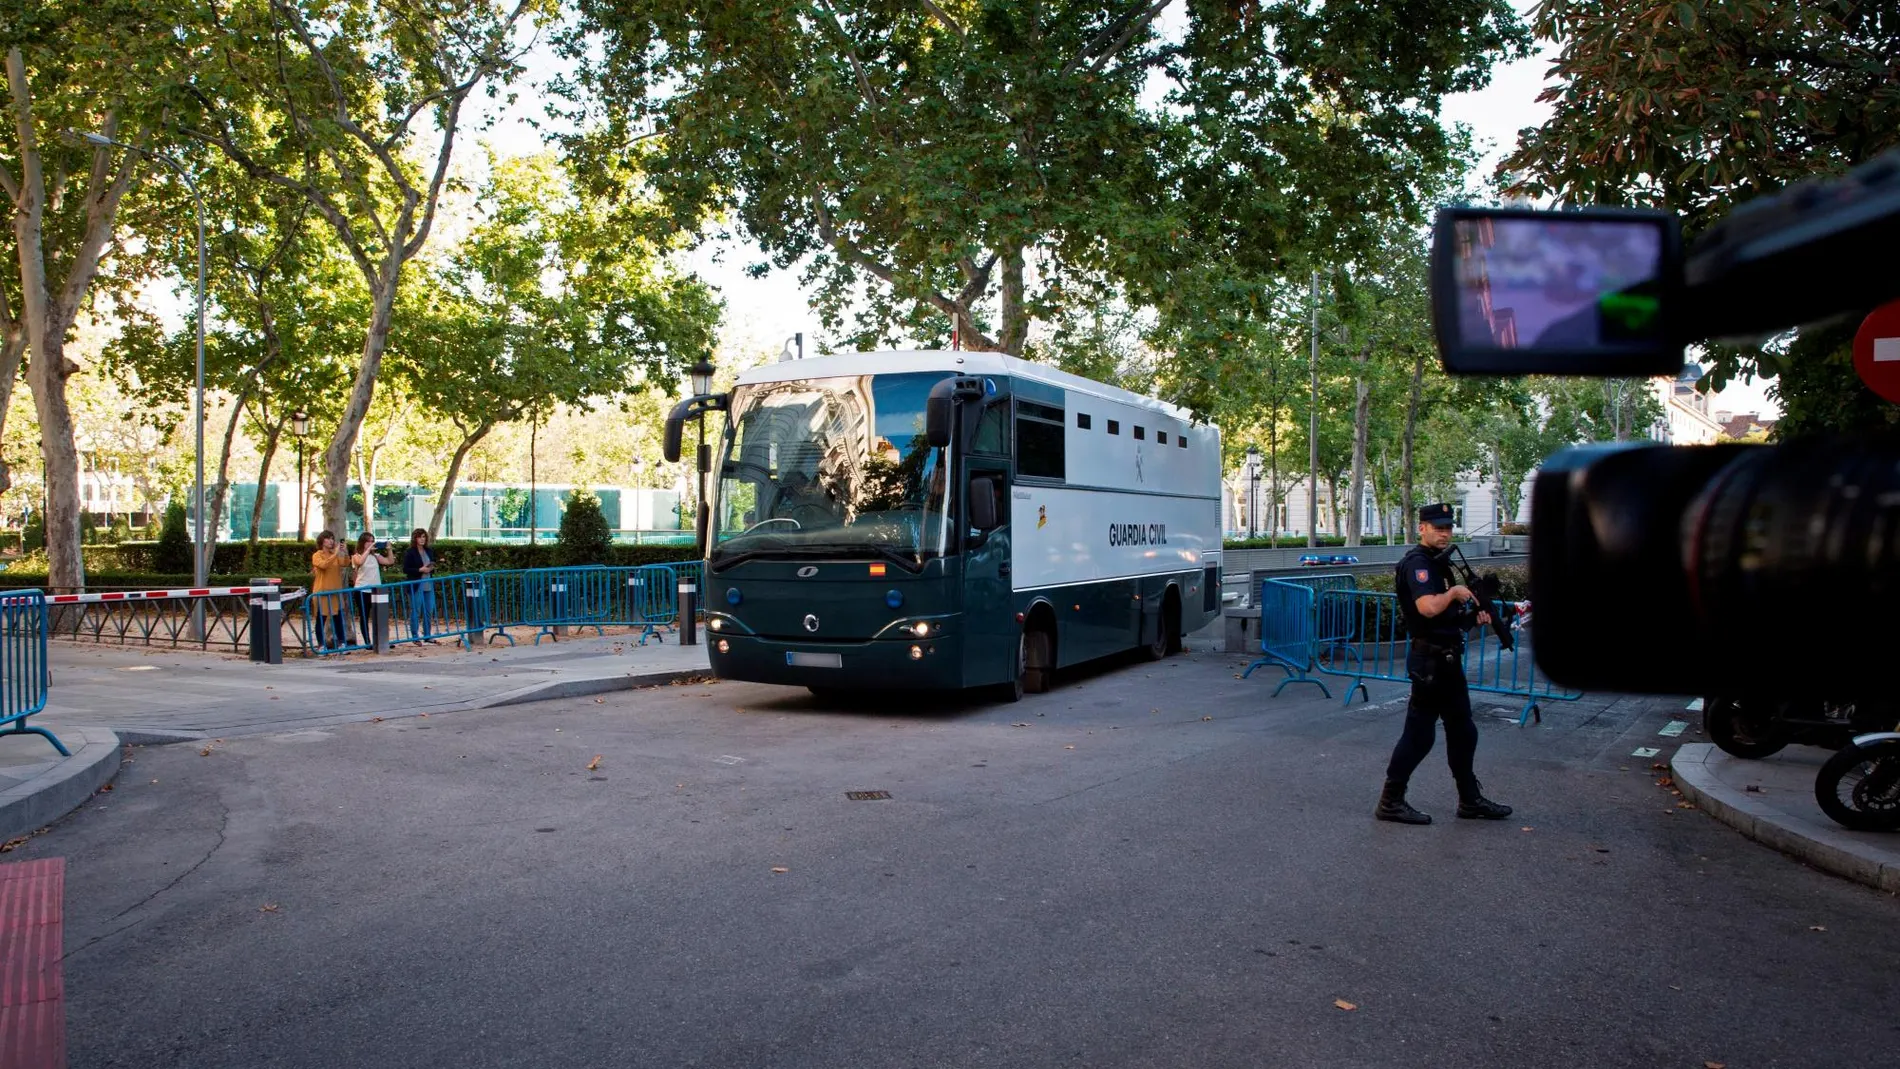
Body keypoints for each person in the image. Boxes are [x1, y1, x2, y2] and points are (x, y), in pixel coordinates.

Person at [1375, 503, 1514, 825]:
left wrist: (1471, 619)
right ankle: (1391, 800)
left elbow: (1445, 618)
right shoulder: (1418, 564)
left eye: (1448, 527)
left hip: (1446, 659)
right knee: (1420, 735)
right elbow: (1426, 608)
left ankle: (1469, 799)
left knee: (1463, 731)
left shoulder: (1439, 564)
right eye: (1437, 527)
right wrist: (1453, 594)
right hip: (1431, 663)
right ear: (1421, 527)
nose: (1444, 533)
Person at [309, 530, 351, 651]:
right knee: (321, 618)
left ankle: (342, 642)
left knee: (337, 617)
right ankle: (321, 644)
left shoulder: (335, 554)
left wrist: (345, 552)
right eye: (328, 538)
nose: (331, 541)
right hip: (322, 591)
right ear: (322, 541)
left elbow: (345, 563)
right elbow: (323, 565)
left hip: (335, 591)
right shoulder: (317, 555)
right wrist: (335, 554)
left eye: (332, 538)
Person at [350, 533, 395, 646]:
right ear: (362, 543)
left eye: (372, 541)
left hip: (375, 590)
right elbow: (360, 562)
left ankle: (381, 640)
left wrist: (389, 549)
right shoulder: (356, 556)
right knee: (364, 616)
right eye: (368, 541)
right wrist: (369, 549)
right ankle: (367, 642)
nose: (371, 543)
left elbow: (389, 561)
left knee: (379, 616)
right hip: (362, 590)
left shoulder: (375, 556)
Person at [402, 528, 438, 642]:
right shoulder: (410, 552)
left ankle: (427, 635)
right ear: (415, 538)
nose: (422, 539)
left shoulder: (429, 550)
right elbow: (406, 569)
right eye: (419, 537)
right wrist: (419, 569)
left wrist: (431, 568)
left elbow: (431, 564)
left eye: (424, 537)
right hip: (416, 584)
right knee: (416, 610)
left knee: (429, 610)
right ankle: (415, 636)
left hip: (428, 583)